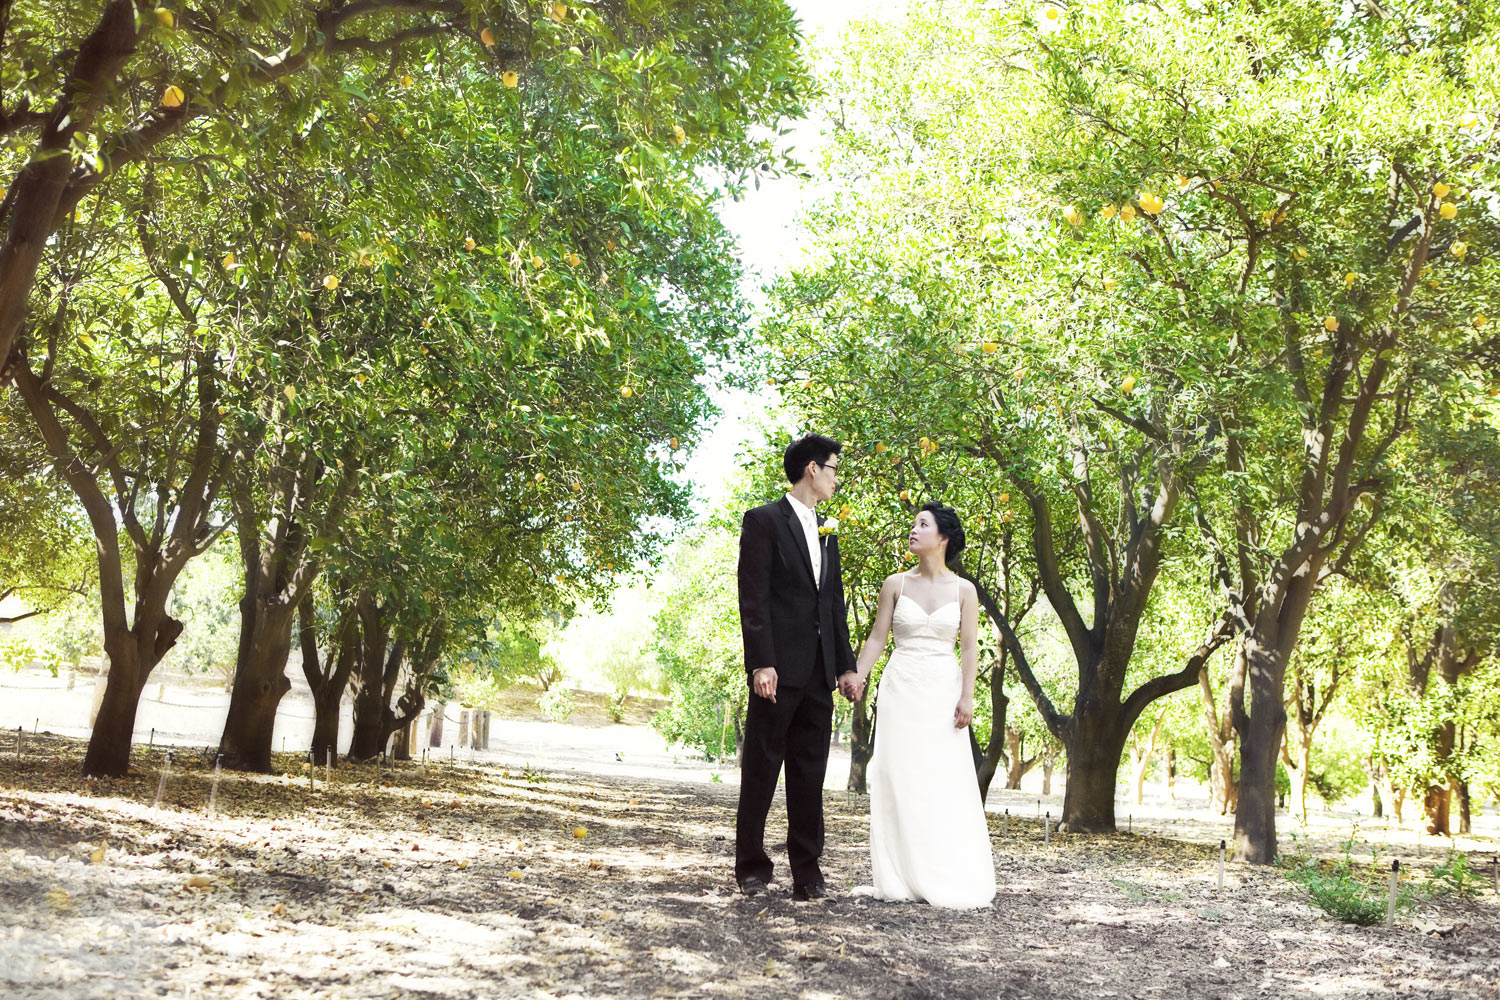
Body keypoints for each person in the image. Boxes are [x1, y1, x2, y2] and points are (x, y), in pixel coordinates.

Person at [735, 433, 862, 900]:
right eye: (833, 468)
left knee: (810, 774)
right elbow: (754, 598)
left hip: (817, 673)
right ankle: (751, 867)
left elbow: (834, 605)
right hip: (777, 670)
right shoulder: (763, 521)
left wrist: (845, 667)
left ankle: (808, 873)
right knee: (762, 770)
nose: (836, 478)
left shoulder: (828, 531)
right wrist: (761, 662)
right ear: (812, 468)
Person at [851, 501, 995, 908]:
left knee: (941, 779)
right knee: (897, 776)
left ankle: (943, 870)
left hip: (943, 692)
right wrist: (859, 675)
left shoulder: (964, 590)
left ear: (943, 538)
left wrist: (968, 696)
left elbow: (969, 648)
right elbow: (878, 638)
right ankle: (900, 876)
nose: (913, 530)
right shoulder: (894, 584)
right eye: (913, 524)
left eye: (923, 524)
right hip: (901, 689)